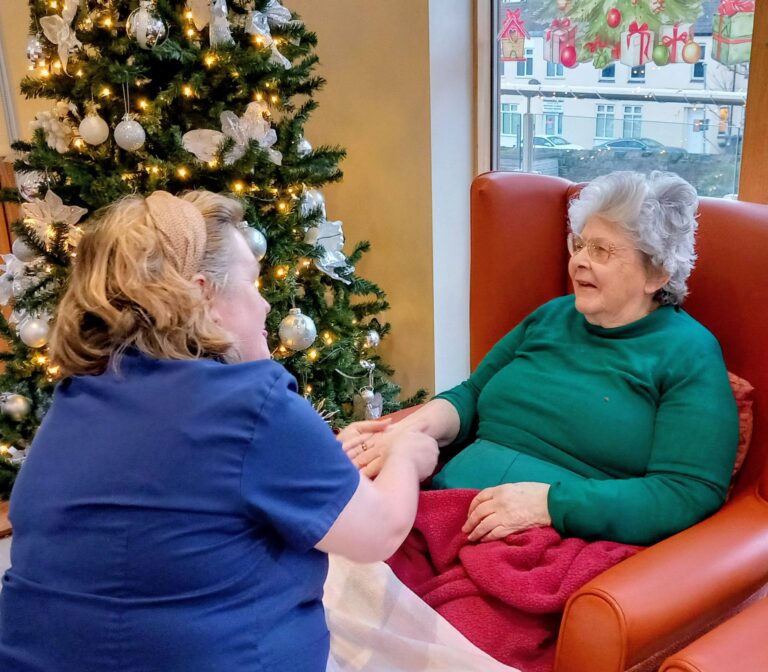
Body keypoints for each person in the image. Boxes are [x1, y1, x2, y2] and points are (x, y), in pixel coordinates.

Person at [0, 190, 438, 672]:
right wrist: (406, 454)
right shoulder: (252, 401)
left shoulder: (77, 397)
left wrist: (320, 461)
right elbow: (380, 533)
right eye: (253, 283)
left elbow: (182, 503)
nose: (267, 307)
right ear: (205, 295)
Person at [341, 171, 738, 547]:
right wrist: (410, 430)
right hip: (444, 507)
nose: (580, 260)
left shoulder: (690, 353)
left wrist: (551, 505)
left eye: (601, 250)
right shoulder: (553, 316)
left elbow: (687, 492)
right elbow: (472, 394)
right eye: (580, 244)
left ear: (658, 274)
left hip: (549, 537)